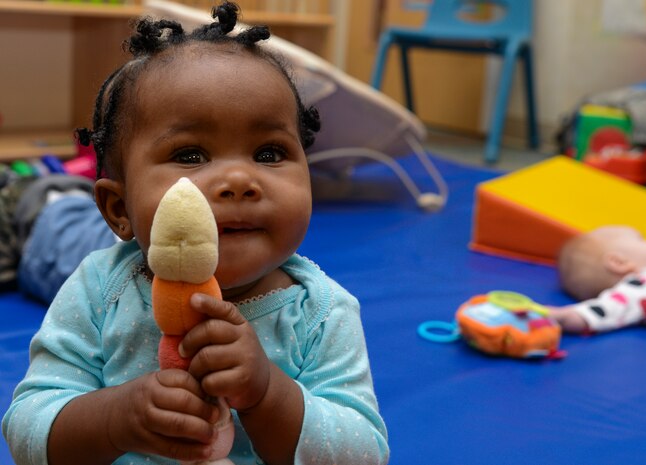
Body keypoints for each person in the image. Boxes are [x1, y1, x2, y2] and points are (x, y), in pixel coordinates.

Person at [2, 3, 389, 464]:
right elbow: (27, 428)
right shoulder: (100, 290)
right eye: (190, 155)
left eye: (268, 153)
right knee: (40, 225)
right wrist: (115, 418)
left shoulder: (321, 313)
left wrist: (268, 394)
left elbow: (364, 453)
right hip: (54, 233)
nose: (240, 181)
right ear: (120, 209)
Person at [548, 225, 646, 333]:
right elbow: (606, 308)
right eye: (642, 239)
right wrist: (565, 316)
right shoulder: (640, 285)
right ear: (619, 262)